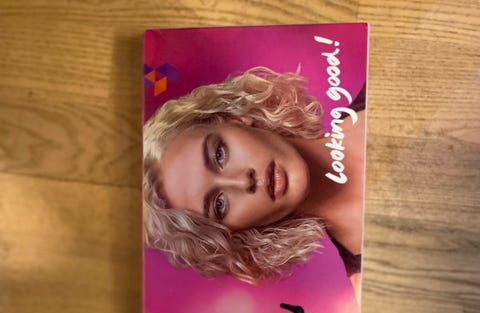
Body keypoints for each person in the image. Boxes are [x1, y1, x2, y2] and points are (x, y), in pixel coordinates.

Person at [143, 67, 365, 294]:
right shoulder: (368, 284)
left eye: (219, 154)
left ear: (234, 119)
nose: (242, 182)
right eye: (219, 204)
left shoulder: (379, 83)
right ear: (236, 234)